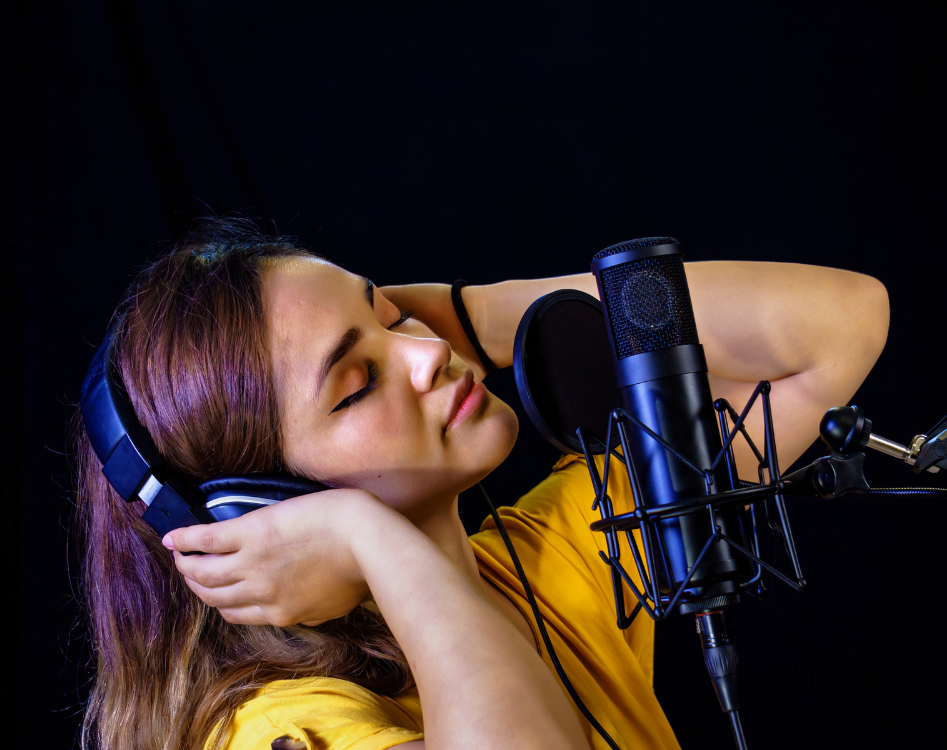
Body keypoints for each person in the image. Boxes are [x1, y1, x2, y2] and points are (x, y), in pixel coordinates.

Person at [74, 219, 890, 750]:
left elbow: (837, 330)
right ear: (261, 506)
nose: (427, 353)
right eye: (357, 382)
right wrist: (369, 538)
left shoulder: (545, 564)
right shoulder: (274, 728)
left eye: (392, 314)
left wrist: (486, 314)